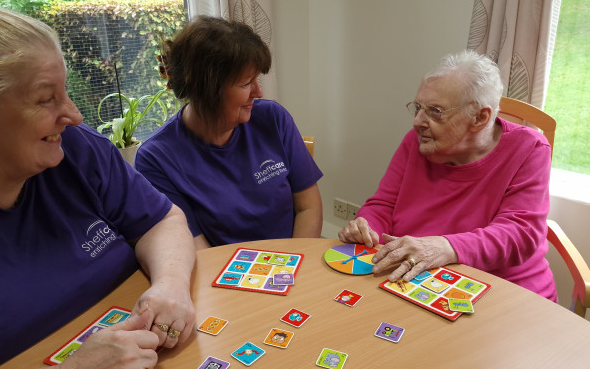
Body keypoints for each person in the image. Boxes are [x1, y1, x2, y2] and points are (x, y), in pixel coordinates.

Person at [0, 6, 197, 368]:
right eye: (45, 98)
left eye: (65, 91)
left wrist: (170, 284)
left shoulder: (75, 147)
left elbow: (162, 220)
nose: (74, 115)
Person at [338, 50, 557, 302]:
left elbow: (519, 233)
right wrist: (367, 227)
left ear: (480, 117)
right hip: (419, 281)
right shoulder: (418, 141)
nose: (418, 121)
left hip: (503, 290)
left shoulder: (529, 148)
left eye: (435, 111)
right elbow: (384, 205)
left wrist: (446, 247)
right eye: (418, 108)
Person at [135, 16, 323, 249]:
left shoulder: (273, 118)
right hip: (224, 276)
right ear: (208, 91)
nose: (259, 92)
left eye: (257, 79)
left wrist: (291, 268)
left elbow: (309, 207)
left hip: (291, 265)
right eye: (246, 84)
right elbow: (195, 248)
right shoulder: (157, 158)